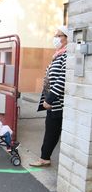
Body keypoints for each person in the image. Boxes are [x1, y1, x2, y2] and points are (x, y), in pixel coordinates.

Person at [30, 26, 68, 167]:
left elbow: (62, 79)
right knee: (51, 130)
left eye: (59, 36)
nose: (56, 38)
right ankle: (45, 157)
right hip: (52, 102)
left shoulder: (66, 56)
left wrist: (49, 99)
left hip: (57, 103)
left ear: (67, 38)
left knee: (52, 131)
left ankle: (44, 158)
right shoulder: (58, 55)